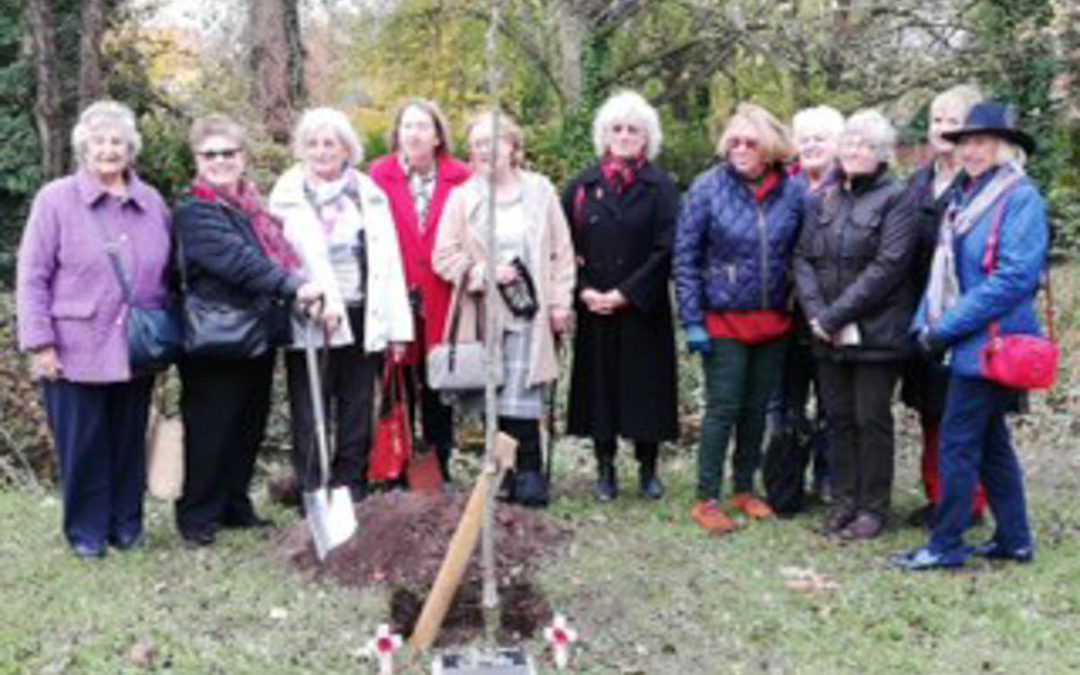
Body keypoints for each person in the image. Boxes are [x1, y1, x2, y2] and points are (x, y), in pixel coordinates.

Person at [17, 100, 172, 558]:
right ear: (84, 147)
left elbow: (167, 274)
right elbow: (32, 275)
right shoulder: (56, 199)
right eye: (100, 141)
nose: (109, 149)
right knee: (83, 445)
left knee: (128, 441)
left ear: (131, 149)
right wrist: (40, 342)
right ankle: (86, 532)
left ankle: (127, 526)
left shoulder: (151, 202)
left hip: (135, 348)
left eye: (118, 141)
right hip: (74, 346)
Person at [897, 102, 1046, 570]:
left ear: (1005, 148)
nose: (972, 150)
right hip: (967, 340)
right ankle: (1015, 540)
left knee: (958, 442)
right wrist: (924, 325)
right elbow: (944, 267)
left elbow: (1013, 278)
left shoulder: (1020, 197)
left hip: (993, 343)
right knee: (990, 442)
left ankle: (946, 545)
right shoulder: (964, 196)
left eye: (983, 142)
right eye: (966, 142)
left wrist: (946, 328)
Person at [174, 114, 322, 547]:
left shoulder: (253, 209)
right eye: (210, 154)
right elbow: (240, 263)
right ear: (197, 159)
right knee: (210, 429)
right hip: (214, 339)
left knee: (246, 427)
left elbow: (276, 255)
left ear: (243, 158)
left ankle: (234, 505)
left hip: (255, 333)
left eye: (229, 153)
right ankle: (197, 515)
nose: (220, 161)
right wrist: (295, 286)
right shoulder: (195, 211)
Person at [673, 103, 805, 535]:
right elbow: (686, 258)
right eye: (735, 141)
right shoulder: (708, 188)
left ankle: (744, 487)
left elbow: (803, 251)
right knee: (723, 409)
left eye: (751, 142)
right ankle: (707, 496)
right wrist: (692, 319)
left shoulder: (793, 191)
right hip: (723, 320)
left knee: (755, 411)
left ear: (770, 149)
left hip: (773, 322)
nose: (741, 149)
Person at [432, 110, 576, 507]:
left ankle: (529, 471)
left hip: (532, 310)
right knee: (492, 396)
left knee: (525, 392)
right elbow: (444, 256)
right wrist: (484, 271)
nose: (484, 150)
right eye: (477, 143)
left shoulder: (541, 191)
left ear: (513, 146)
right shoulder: (463, 198)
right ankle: (504, 474)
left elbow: (561, 254)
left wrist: (561, 303)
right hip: (484, 313)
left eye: (493, 141)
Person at [270, 107, 413, 503]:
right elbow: (277, 257)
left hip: (362, 309)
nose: (320, 151)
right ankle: (313, 485)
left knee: (356, 401)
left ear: (347, 149)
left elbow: (389, 262)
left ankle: (351, 482)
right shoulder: (286, 193)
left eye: (329, 143)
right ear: (301, 150)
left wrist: (398, 328)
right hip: (311, 313)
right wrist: (308, 295)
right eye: (312, 144)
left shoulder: (367, 194)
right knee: (308, 402)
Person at [793, 109, 918, 541]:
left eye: (864, 145)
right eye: (848, 144)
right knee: (838, 419)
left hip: (876, 334)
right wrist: (816, 315)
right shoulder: (827, 198)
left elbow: (889, 266)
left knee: (871, 419)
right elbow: (803, 258)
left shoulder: (898, 198)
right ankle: (844, 502)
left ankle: (873, 508)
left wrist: (834, 315)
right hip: (828, 334)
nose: (853, 151)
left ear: (882, 152)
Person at [561, 91, 678, 502]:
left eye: (634, 129)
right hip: (595, 307)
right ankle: (605, 469)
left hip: (643, 308)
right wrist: (584, 292)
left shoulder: (661, 187)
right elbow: (561, 248)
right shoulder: (581, 186)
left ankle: (648, 469)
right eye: (617, 128)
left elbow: (668, 249)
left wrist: (626, 293)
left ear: (647, 137)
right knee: (601, 390)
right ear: (604, 135)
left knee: (647, 389)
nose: (625, 136)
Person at [370, 100, 471, 482]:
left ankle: (439, 465)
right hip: (395, 292)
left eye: (423, 126)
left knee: (437, 382)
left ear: (438, 134)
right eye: (407, 126)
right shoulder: (380, 175)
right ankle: (396, 464)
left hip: (443, 293)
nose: (414, 134)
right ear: (397, 133)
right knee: (397, 381)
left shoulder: (460, 176)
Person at [902, 84, 987, 528]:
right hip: (920, 317)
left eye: (953, 121)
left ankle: (968, 502)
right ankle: (938, 494)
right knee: (930, 412)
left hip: (966, 318)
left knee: (965, 416)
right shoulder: (917, 181)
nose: (942, 129)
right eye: (937, 120)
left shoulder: (982, 185)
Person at [763, 105, 845, 515]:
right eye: (805, 137)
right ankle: (784, 476)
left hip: (831, 314)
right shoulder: (781, 188)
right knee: (783, 403)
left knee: (831, 401)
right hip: (783, 315)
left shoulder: (849, 188)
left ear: (838, 144)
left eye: (821, 137)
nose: (811, 144)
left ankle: (827, 477)